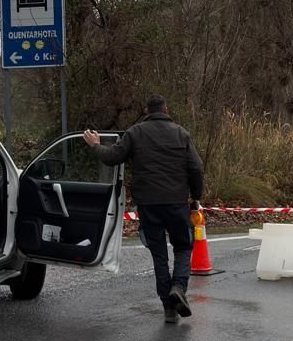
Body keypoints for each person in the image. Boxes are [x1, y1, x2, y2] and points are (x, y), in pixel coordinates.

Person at [84, 95, 204, 324]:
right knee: (183, 247)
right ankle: (179, 287)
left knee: (159, 255)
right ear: (166, 109)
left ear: (146, 111)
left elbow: (113, 157)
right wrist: (196, 197)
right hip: (176, 203)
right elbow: (196, 168)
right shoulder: (181, 134)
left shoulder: (135, 133)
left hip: (148, 205)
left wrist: (96, 145)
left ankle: (169, 309)